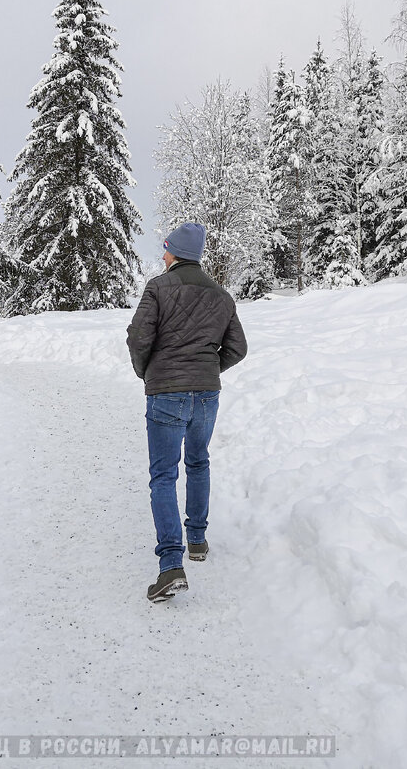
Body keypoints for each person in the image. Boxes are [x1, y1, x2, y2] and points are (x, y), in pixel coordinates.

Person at [126, 222, 248, 603]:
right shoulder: (222, 296)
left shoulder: (158, 287)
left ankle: (170, 566)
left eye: (165, 248)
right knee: (198, 463)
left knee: (163, 475)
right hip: (207, 395)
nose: (162, 255)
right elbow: (238, 348)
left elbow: (138, 337)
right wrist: (207, 369)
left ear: (176, 252)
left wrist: (148, 371)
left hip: (166, 393)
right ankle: (197, 540)